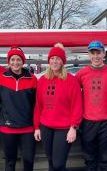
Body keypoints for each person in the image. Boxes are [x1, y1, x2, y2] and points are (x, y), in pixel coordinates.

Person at [34, 43, 83, 171]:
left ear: (62, 62)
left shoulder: (71, 81)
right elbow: (38, 105)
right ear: (49, 60)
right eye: (52, 58)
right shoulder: (42, 81)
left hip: (64, 128)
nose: (55, 61)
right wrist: (37, 127)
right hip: (46, 127)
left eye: (58, 59)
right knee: (50, 162)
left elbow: (77, 105)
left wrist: (74, 127)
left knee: (58, 164)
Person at [76, 41, 107, 171]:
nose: (96, 56)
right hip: (88, 122)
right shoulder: (81, 74)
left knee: (105, 158)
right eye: (93, 53)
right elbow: (73, 96)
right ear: (89, 54)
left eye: (99, 53)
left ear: (104, 53)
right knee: (89, 158)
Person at [0, 47, 37, 171]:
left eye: (18, 59)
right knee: (10, 162)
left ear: (23, 61)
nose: (15, 62)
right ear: (8, 61)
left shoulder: (32, 79)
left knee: (29, 160)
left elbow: (36, 104)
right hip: (7, 128)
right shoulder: (1, 78)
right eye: (12, 59)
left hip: (27, 128)